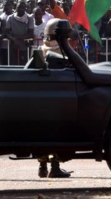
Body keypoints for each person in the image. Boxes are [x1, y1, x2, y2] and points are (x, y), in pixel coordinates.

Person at [36, 18, 72, 178]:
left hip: (40, 97)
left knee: (42, 132)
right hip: (58, 96)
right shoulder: (63, 50)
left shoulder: (40, 49)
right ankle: (55, 167)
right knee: (57, 133)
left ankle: (42, 166)